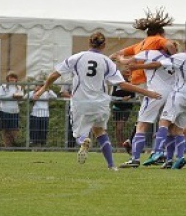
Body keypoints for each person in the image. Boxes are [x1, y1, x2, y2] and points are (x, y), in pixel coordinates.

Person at [34, 32, 161, 170]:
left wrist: (43, 88)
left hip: (80, 101)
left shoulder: (77, 57)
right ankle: (112, 166)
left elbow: (54, 74)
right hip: (100, 102)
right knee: (100, 132)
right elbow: (122, 84)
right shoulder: (106, 61)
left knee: (78, 133)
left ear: (89, 43)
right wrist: (148, 92)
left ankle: (83, 141)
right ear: (104, 45)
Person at [127, 37, 186, 170]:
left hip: (180, 94)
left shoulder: (180, 57)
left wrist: (138, 66)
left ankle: (157, 152)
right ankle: (176, 158)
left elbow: (157, 64)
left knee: (164, 122)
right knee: (176, 129)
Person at [110, 8, 177, 152]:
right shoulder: (158, 40)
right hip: (151, 81)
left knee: (145, 114)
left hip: (138, 80)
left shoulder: (139, 44)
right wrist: (174, 58)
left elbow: (118, 53)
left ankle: (132, 140)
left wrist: (119, 60)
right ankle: (158, 150)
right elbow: (170, 46)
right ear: (160, 33)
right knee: (163, 116)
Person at [117, 47, 175, 168]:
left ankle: (135, 158)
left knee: (141, 125)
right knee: (168, 126)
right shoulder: (174, 58)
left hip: (154, 92)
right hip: (172, 94)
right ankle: (165, 156)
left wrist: (118, 57)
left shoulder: (150, 52)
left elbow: (127, 62)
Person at [111, 68, 136, 149]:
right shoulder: (116, 84)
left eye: (129, 73)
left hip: (126, 108)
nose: (127, 74)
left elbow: (133, 96)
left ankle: (124, 145)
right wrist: (121, 99)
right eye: (126, 73)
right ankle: (119, 147)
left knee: (120, 127)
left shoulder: (131, 84)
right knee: (117, 129)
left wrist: (128, 98)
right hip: (117, 107)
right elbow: (112, 96)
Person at [0, 71, 24, 147]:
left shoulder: (19, 87)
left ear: (16, 79)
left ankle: (13, 145)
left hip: (15, 111)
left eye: (14, 77)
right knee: (5, 129)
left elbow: (21, 101)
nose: (12, 79)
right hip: (4, 110)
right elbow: (0, 97)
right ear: (7, 78)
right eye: (10, 77)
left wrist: (20, 99)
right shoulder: (2, 87)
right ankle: (7, 145)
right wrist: (11, 96)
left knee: (14, 129)